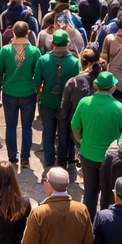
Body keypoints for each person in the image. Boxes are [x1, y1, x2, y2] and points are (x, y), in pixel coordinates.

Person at [70, 71, 122, 218]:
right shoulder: (120, 108)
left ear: (96, 85)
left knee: (90, 192)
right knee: (109, 193)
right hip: (111, 158)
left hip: (87, 154)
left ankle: (88, 223)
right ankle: (105, 222)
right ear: (113, 87)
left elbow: (74, 125)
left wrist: (81, 142)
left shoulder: (84, 103)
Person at [35, 30, 81, 173]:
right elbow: (77, 86)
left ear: (52, 43)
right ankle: (62, 164)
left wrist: (39, 94)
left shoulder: (43, 60)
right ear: (67, 43)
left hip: (47, 102)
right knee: (63, 136)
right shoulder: (74, 63)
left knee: (48, 134)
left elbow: (36, 82)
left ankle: (49, 164)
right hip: (65, 106)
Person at [0, 23, 41, 166]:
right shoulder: (34, 51)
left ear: (13, 32)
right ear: (27, 33)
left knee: (11, 126)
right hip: (28, 92)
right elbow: (38, 72)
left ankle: (12, 156)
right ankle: (25, 157)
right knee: (26, 127)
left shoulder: (5, 50)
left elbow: (0, 70)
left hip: (9, 92)